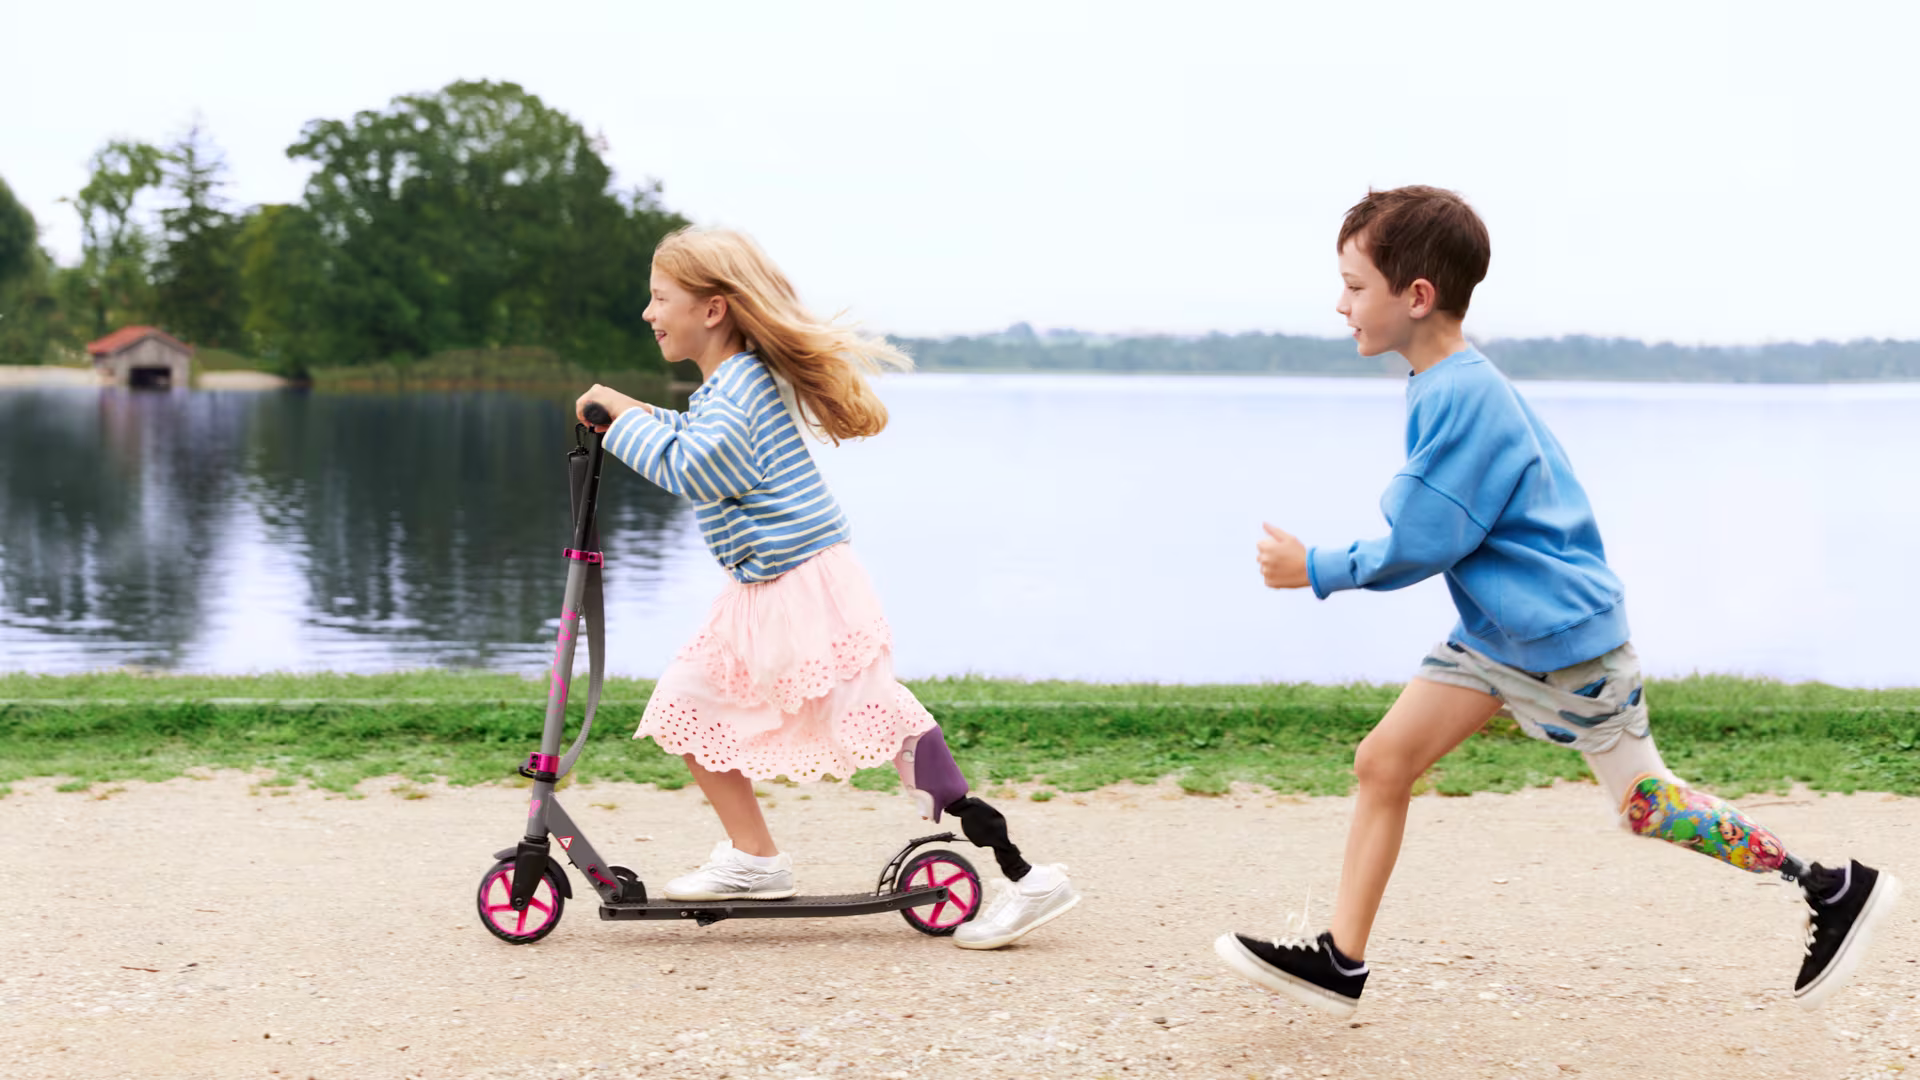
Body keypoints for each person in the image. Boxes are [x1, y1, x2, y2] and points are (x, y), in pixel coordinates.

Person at [1213, 185, 1901, 1016]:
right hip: (1498, 640)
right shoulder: (1443, 384)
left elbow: (1425, 540)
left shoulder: (1462, 394)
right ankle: (1341, 962)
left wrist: (1314, 565)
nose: (1341, 304)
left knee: (1650, 807)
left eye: (1356, 286)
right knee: (1382, 761)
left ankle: (1829, 886)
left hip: (1566, 646)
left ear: (1417, 296)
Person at [575, 225, 1079, 949]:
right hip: (760, 590)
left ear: (712, 309)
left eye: (660, 298)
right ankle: (754, 860)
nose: (648, 313)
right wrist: (626, 407)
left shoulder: (743, 383)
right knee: (688, 701)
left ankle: (1026, 877)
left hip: (807, 587)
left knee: (887, 723)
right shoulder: (728, 385)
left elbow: (697, 468)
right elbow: (692, 437)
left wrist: (618, 415)